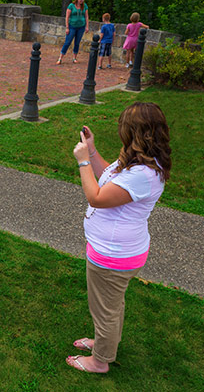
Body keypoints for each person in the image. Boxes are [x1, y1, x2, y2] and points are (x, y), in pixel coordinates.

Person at [67, 102, 172, 374]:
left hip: (113, 255)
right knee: (109, 306)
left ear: (137, 133)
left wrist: (82, 161)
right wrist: (91, 149)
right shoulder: (140, 160)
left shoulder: (143, 174)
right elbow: (107, 178)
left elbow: (97, 196)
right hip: (116, 251)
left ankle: (100, 360)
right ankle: (104, 343)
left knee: (105, 311)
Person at [57, 0, 89, 65]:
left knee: (77, 43)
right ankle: (60, 57)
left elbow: (86, 16)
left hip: (81, 26)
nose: (82, 1)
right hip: (72, 26)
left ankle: (74, 57)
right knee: (68, 42)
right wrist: (67, 27)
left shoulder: (85, 6)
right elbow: (67, 17)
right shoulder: (71, 6)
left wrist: (87, 26)